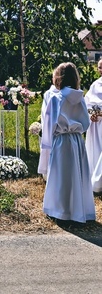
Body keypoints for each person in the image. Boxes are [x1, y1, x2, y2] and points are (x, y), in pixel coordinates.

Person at [41, 62, 95, 223]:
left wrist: (47, 143)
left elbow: (49, 123)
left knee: (61, 176)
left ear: (58, 78)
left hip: (61, 140)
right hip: (77, 140)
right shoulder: (80, 97)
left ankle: (60, 210)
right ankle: (79, 210)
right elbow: (85, 122)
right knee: (76, 175)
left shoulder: (56, 98)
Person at [85, 58, 102, 193]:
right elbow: (87, 102)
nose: (101, 70)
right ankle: (92, 176)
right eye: (99, 67)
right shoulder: (95, 84)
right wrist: (91, 113)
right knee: (94, 149)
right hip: (94, 123)